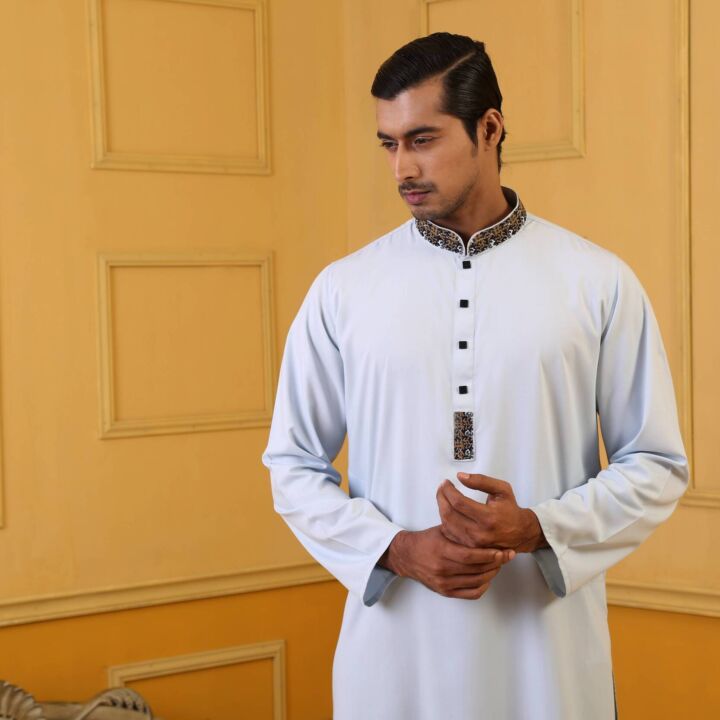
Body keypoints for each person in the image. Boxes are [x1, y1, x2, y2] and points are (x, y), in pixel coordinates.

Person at [261, 31, 689, 720]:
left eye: (423, 139)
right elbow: (291, 465)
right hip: (393, 664)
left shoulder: (597, 283)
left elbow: (656, 463)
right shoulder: (343, 291)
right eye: (389, 144)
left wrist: (538, 528)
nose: (403, 167)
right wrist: (395, 549)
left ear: (489, 128)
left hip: (546, 664)